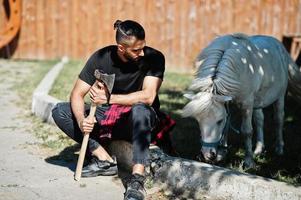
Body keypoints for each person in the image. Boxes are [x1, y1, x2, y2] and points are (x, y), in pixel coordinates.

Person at [52, 19, 174, 200]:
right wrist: (81, 121)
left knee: (141, 109)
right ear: (121, 48)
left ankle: (137, 180)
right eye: (136, 50)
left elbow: (148, 96)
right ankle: (104, 159)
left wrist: (109, 98)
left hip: (139, 120)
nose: (142, 53)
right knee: (60, 110)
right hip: (111, 117)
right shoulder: (101, 58)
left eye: (143, 47)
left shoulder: (154, 58)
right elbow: (77, 94)